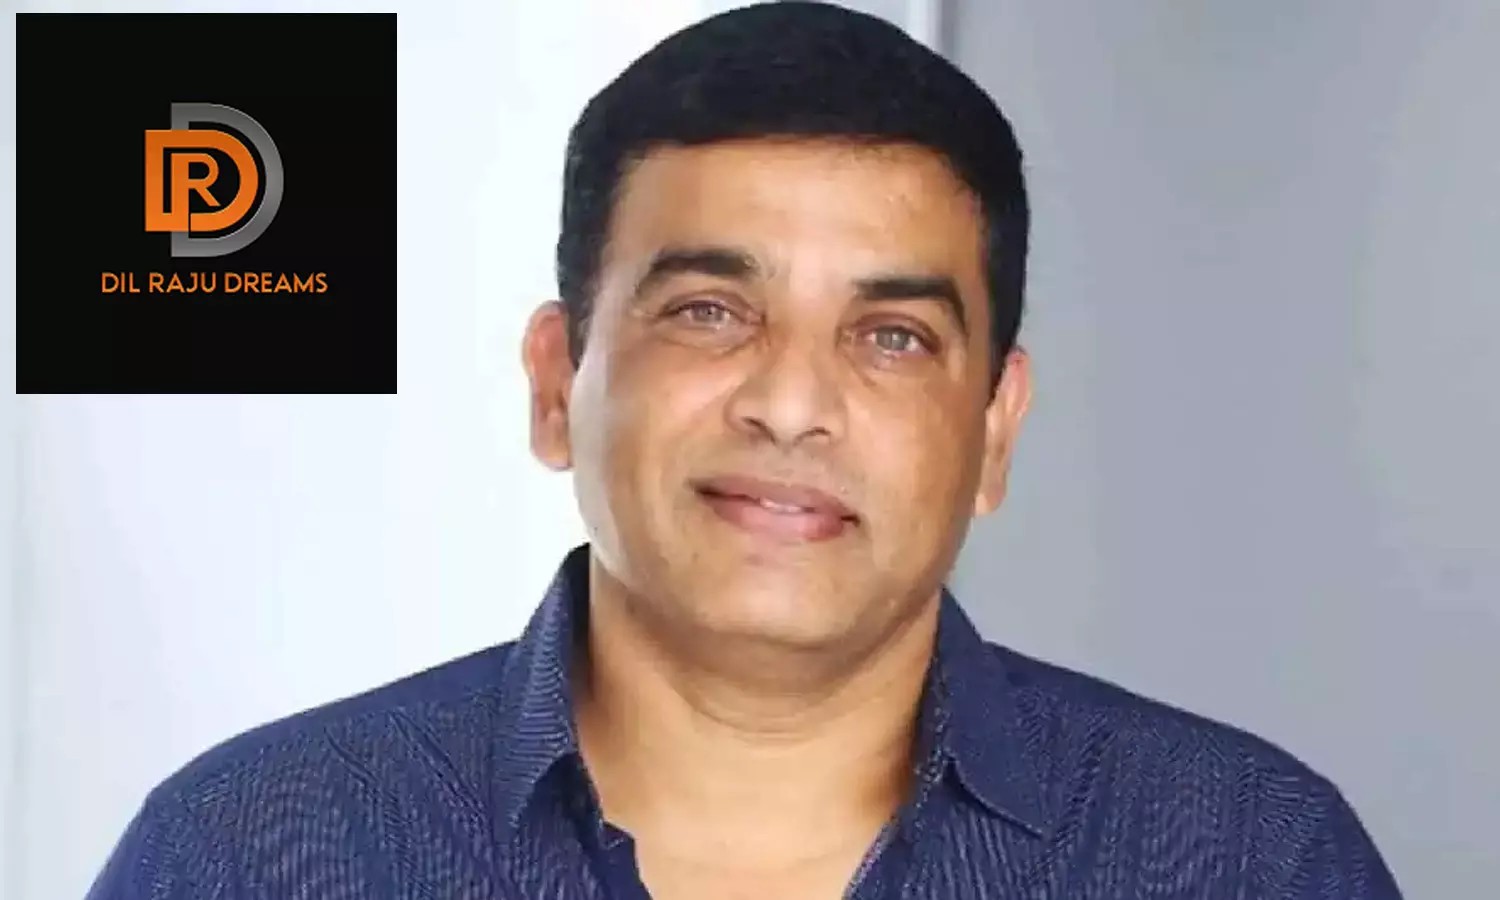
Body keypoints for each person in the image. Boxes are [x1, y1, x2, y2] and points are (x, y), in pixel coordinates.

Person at [87, 2, 1403, 898]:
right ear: (557, 383)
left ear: (996, 430)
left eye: (891, 336)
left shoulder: (1246, 858)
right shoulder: (256, 853)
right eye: (710, 312)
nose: (791, 403)